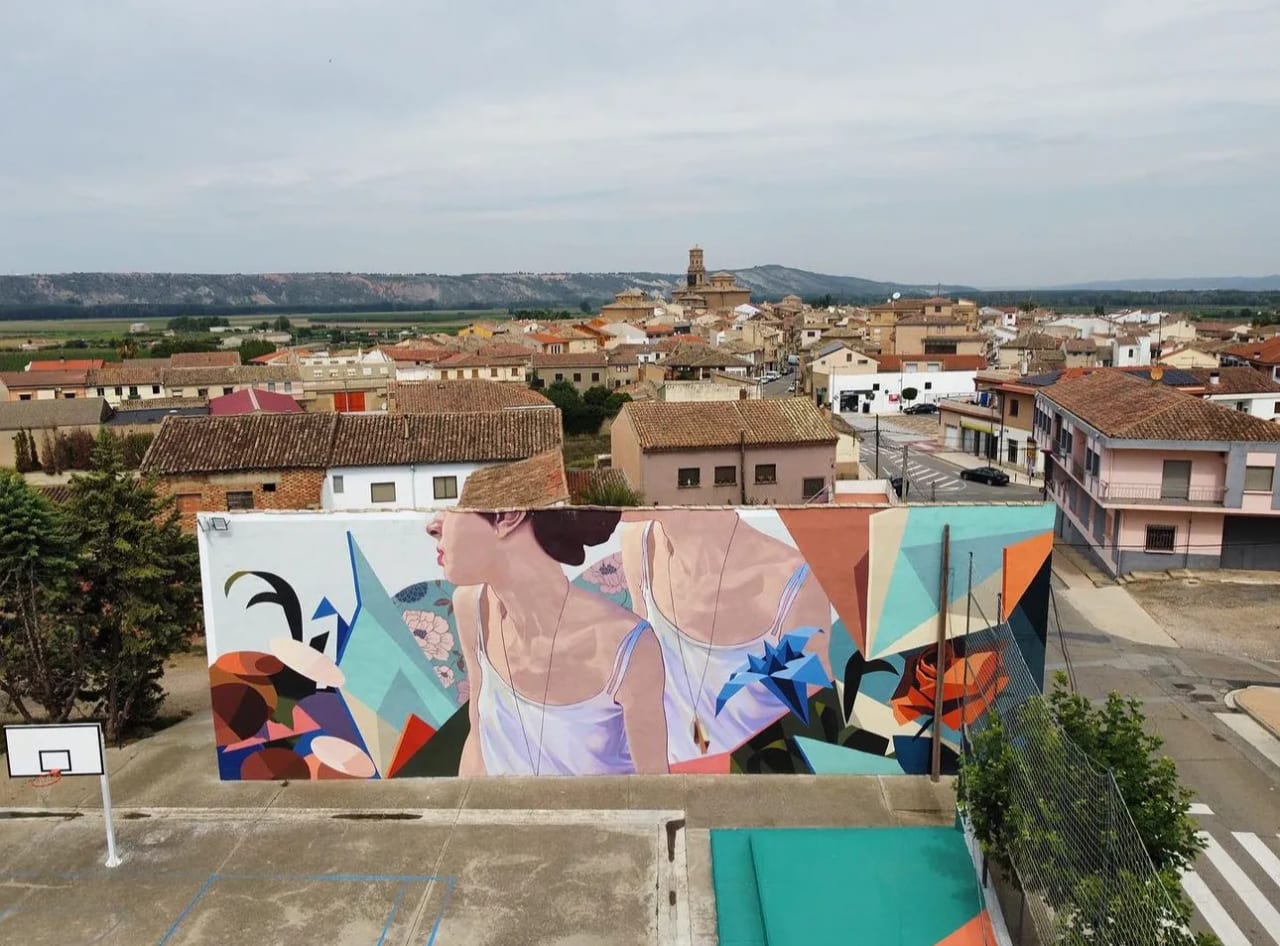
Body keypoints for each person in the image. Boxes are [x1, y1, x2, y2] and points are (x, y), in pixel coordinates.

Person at [427, 509, 668, 776]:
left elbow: (655, 788)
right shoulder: (474, 608)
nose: (432, 526)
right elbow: (478, 740)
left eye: (455, 506)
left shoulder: (627, 645)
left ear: (508, 515)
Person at [620, 509, 832, 763]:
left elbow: (818, 736)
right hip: (675, 785)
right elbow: (646, 688)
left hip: (755, 788)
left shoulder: (791, 586)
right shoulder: (641, 546)